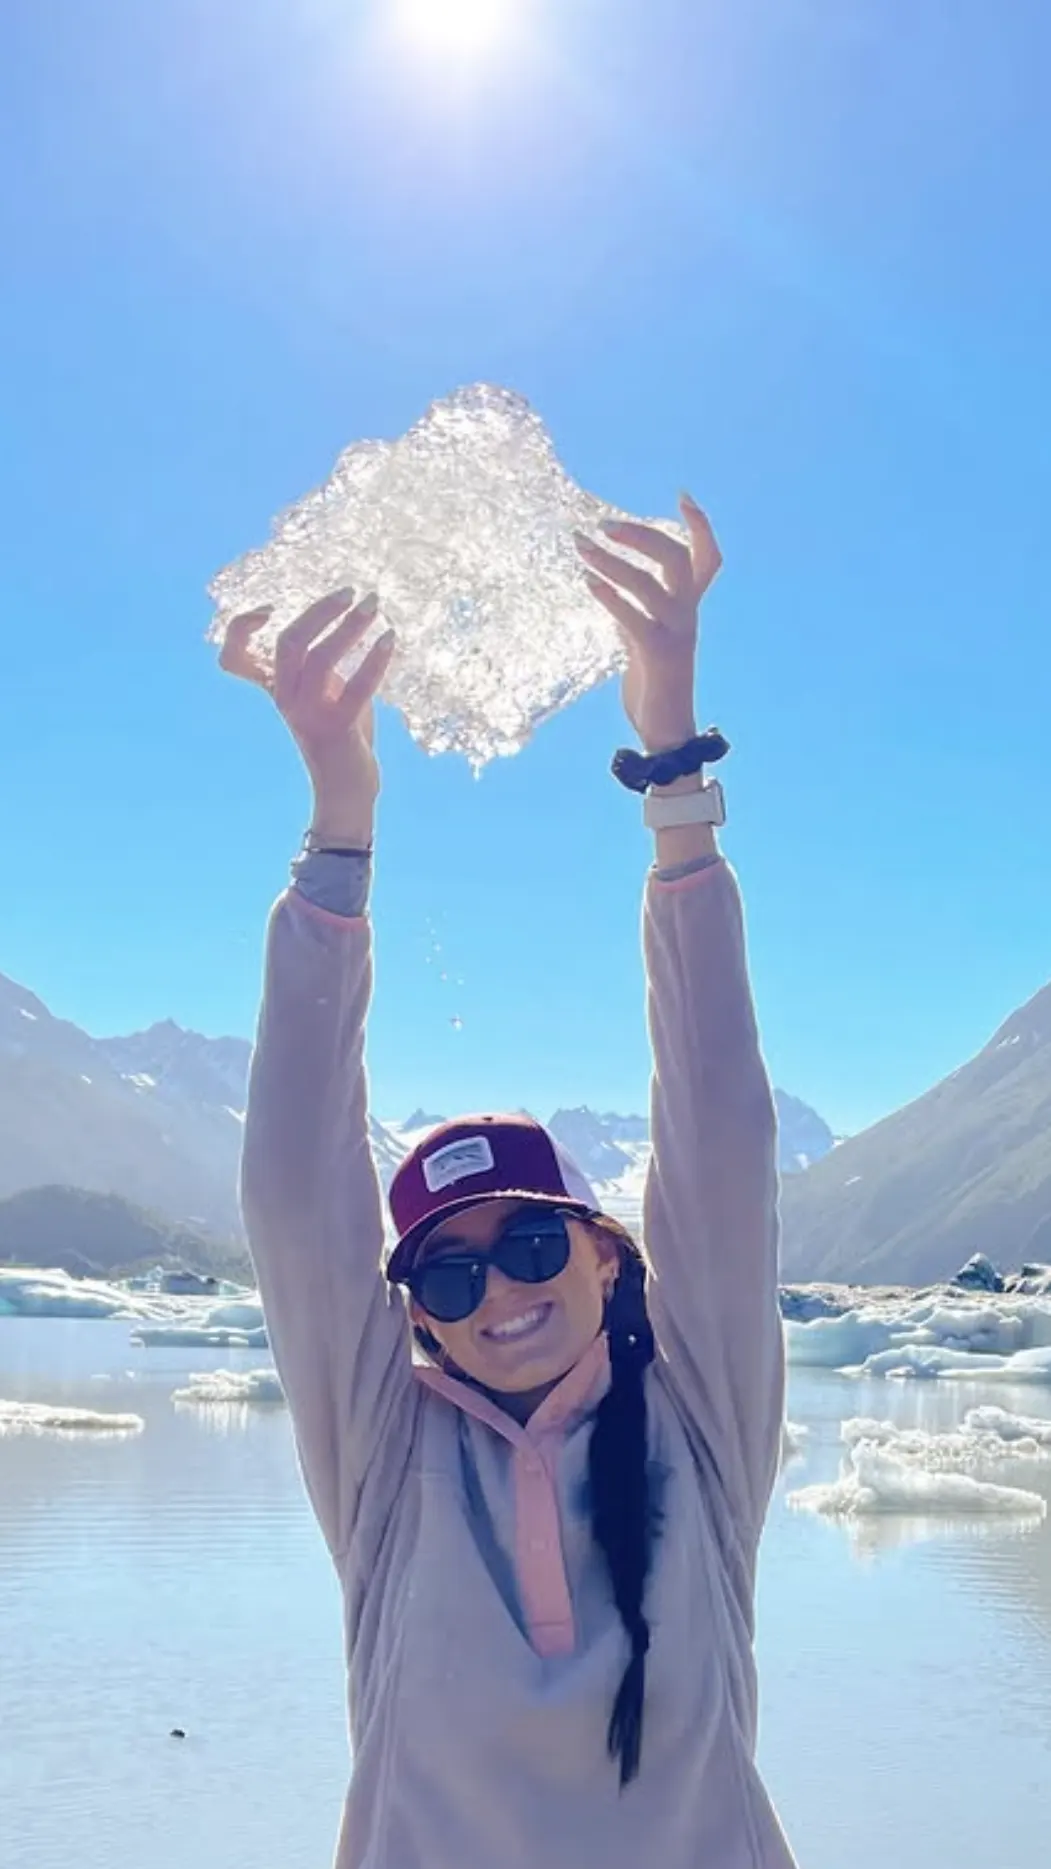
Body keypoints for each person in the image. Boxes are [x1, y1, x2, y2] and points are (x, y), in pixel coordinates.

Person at [220, 499, 798, 1869]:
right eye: (450, 1270)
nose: (498, 1295)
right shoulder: (385, 1463)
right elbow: (298, 1189)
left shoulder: (699, 1417)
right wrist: (339, 821)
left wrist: (671, 765)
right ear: (413, 1308)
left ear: (606, 1256)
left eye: (532, 1249)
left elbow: (718, 1131)